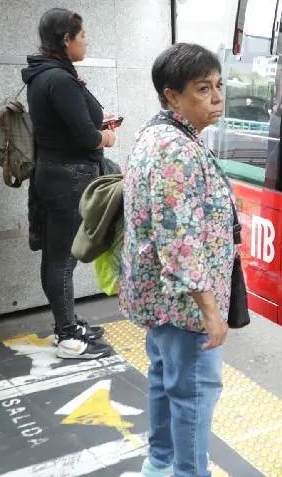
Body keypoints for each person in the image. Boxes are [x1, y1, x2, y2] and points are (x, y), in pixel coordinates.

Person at [120, 43, 234, 477]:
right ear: (173, 96)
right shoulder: (176, 150)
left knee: (165, 381)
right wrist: (210, 310)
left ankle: (161, 463)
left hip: (159, 297)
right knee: (195, 392)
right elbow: (180, 240)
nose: (217, 98)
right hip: (183, 303)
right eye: (203, 89)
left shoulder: (157, 134)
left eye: (219, 86)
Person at [22, 7, 115, 359]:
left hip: (55, 172)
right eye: (82, 35)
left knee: (58, 256)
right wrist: (105, 138)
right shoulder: (59, 79)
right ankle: (66, 336)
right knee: (61, 258)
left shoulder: (44, 74)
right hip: (69, 176)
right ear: (66, 40)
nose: (86, 41)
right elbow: (86, 137)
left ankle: (68, 322)